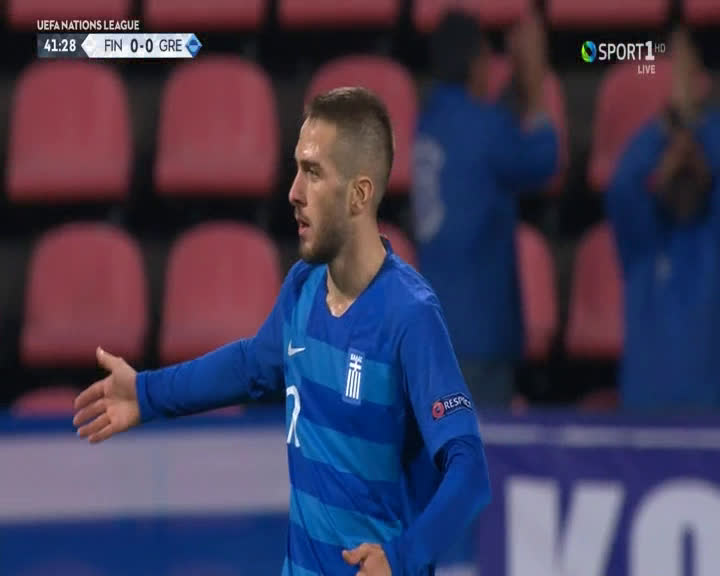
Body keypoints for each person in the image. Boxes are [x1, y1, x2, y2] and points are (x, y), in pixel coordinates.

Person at [73, 87, 491, 575]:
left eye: (313, 172)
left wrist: (401, 558)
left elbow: (469, 469)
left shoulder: (410, 316)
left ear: (359, 194)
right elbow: (251, 365)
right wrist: (147, 393)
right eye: (296, 169)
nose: (293, 192)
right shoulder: (303, 287)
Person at [411, 11, 558, 408]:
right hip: (480, 335)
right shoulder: (483, 128)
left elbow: (487, 137)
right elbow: (543, 158)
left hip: (434, 331)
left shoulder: (430, 123)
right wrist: (534, 85)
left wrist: (514, 84)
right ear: (476, 63)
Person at [607, 25, 720, 411]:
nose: (683, 171)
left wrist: (700, 123)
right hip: (644, 424)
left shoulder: (712, 236)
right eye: (675, 167)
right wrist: (667, 124)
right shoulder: (642, 241)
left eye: (693, 165)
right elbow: (622, 185)